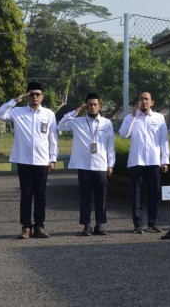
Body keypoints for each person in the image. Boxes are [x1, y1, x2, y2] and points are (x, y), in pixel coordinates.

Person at [0, 81, 59, 239]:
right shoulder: (18, 112)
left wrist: (52, 158)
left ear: (42, 97)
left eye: (37, 94)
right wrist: (16, 100)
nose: (34, 97)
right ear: (27, 96)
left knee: (41, 194)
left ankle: (39, 226)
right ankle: (26, 227)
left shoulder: (48, 114)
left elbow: (53, 138)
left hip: (42, 160)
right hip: (23, 160)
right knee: (26, 194)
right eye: (31, 94)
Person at [57, 92, 116, 236]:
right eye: (89, 104)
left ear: (99, 106)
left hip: (101, 165)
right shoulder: (77, 122)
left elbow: (110, 145)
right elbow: (60, 125)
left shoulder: (107, 123)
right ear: (86, 106)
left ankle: (100, 224)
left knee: (101, 196)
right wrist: (77, 110)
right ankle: (87, 225)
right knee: (85, 197)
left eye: (95, 104)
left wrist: (111, 164)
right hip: (84, 166)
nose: (93, 107)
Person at [119, 91, 170, 233]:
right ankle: (138, 225)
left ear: (152, 102)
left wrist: (165, 160)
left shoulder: (159, 118)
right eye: (141, 99)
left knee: (153, 194)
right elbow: (123, 134)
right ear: (137, 103)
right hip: (137, 161)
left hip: (154, 161)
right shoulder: (130, 117)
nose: (144, 101)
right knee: (136, 195)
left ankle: (153, 223)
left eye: (146, 99)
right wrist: (132, 118)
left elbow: (164, 140)